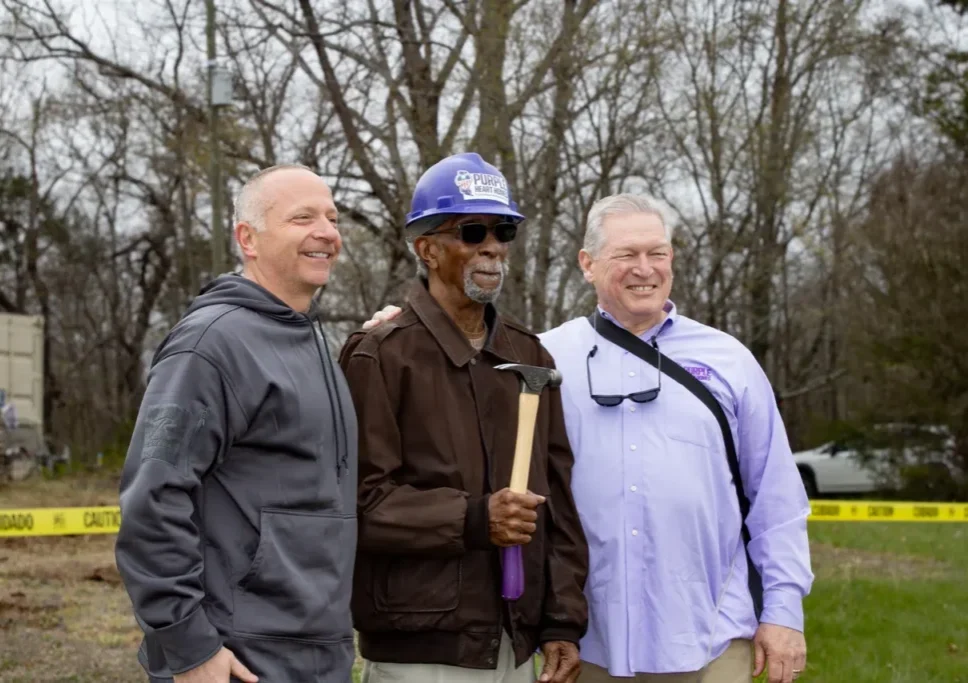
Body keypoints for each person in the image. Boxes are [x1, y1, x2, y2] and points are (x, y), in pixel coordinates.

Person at [362, 193, 814, 683]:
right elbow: (458, 362)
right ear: (588, 264)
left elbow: (776, 499)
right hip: (589, 641)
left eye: (657, 253)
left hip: (712, 635)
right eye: (626, 255)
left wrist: (783, 610)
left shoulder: (730, 360)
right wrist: (405, 327)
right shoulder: (544, 357)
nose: (645, 269)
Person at [338, 152, 589, 683]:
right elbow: (360, 503)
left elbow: (560, 502)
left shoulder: (531, 356)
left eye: (503, 231)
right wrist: (476, 519)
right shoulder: (379, 355)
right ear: (427, 249)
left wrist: (562, 620)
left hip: (515, 643)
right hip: (421, 648)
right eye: (472, 231)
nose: (493, 246)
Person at [115, 164, 359, 683]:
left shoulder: (316, 344)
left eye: (332, 217)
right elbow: (151, 501)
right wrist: (189, 645)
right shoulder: (209, 347)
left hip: (318, 650)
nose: (326, 231)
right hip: (239, 657)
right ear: (247, 238)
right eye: (302, 217)